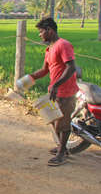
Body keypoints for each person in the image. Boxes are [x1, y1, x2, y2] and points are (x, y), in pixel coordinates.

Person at [29, 17, 79, 167]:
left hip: (65, 91)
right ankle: (61, 147)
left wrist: (57, 84)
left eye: (41, 31)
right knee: (52, 119)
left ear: (49, 30)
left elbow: (71, 67)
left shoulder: (63, 45)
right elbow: (45, 70)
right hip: (55, 91)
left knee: (62, 123)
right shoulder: (49, 49)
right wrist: (29, 78)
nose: (40, 35)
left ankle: (62, 153)